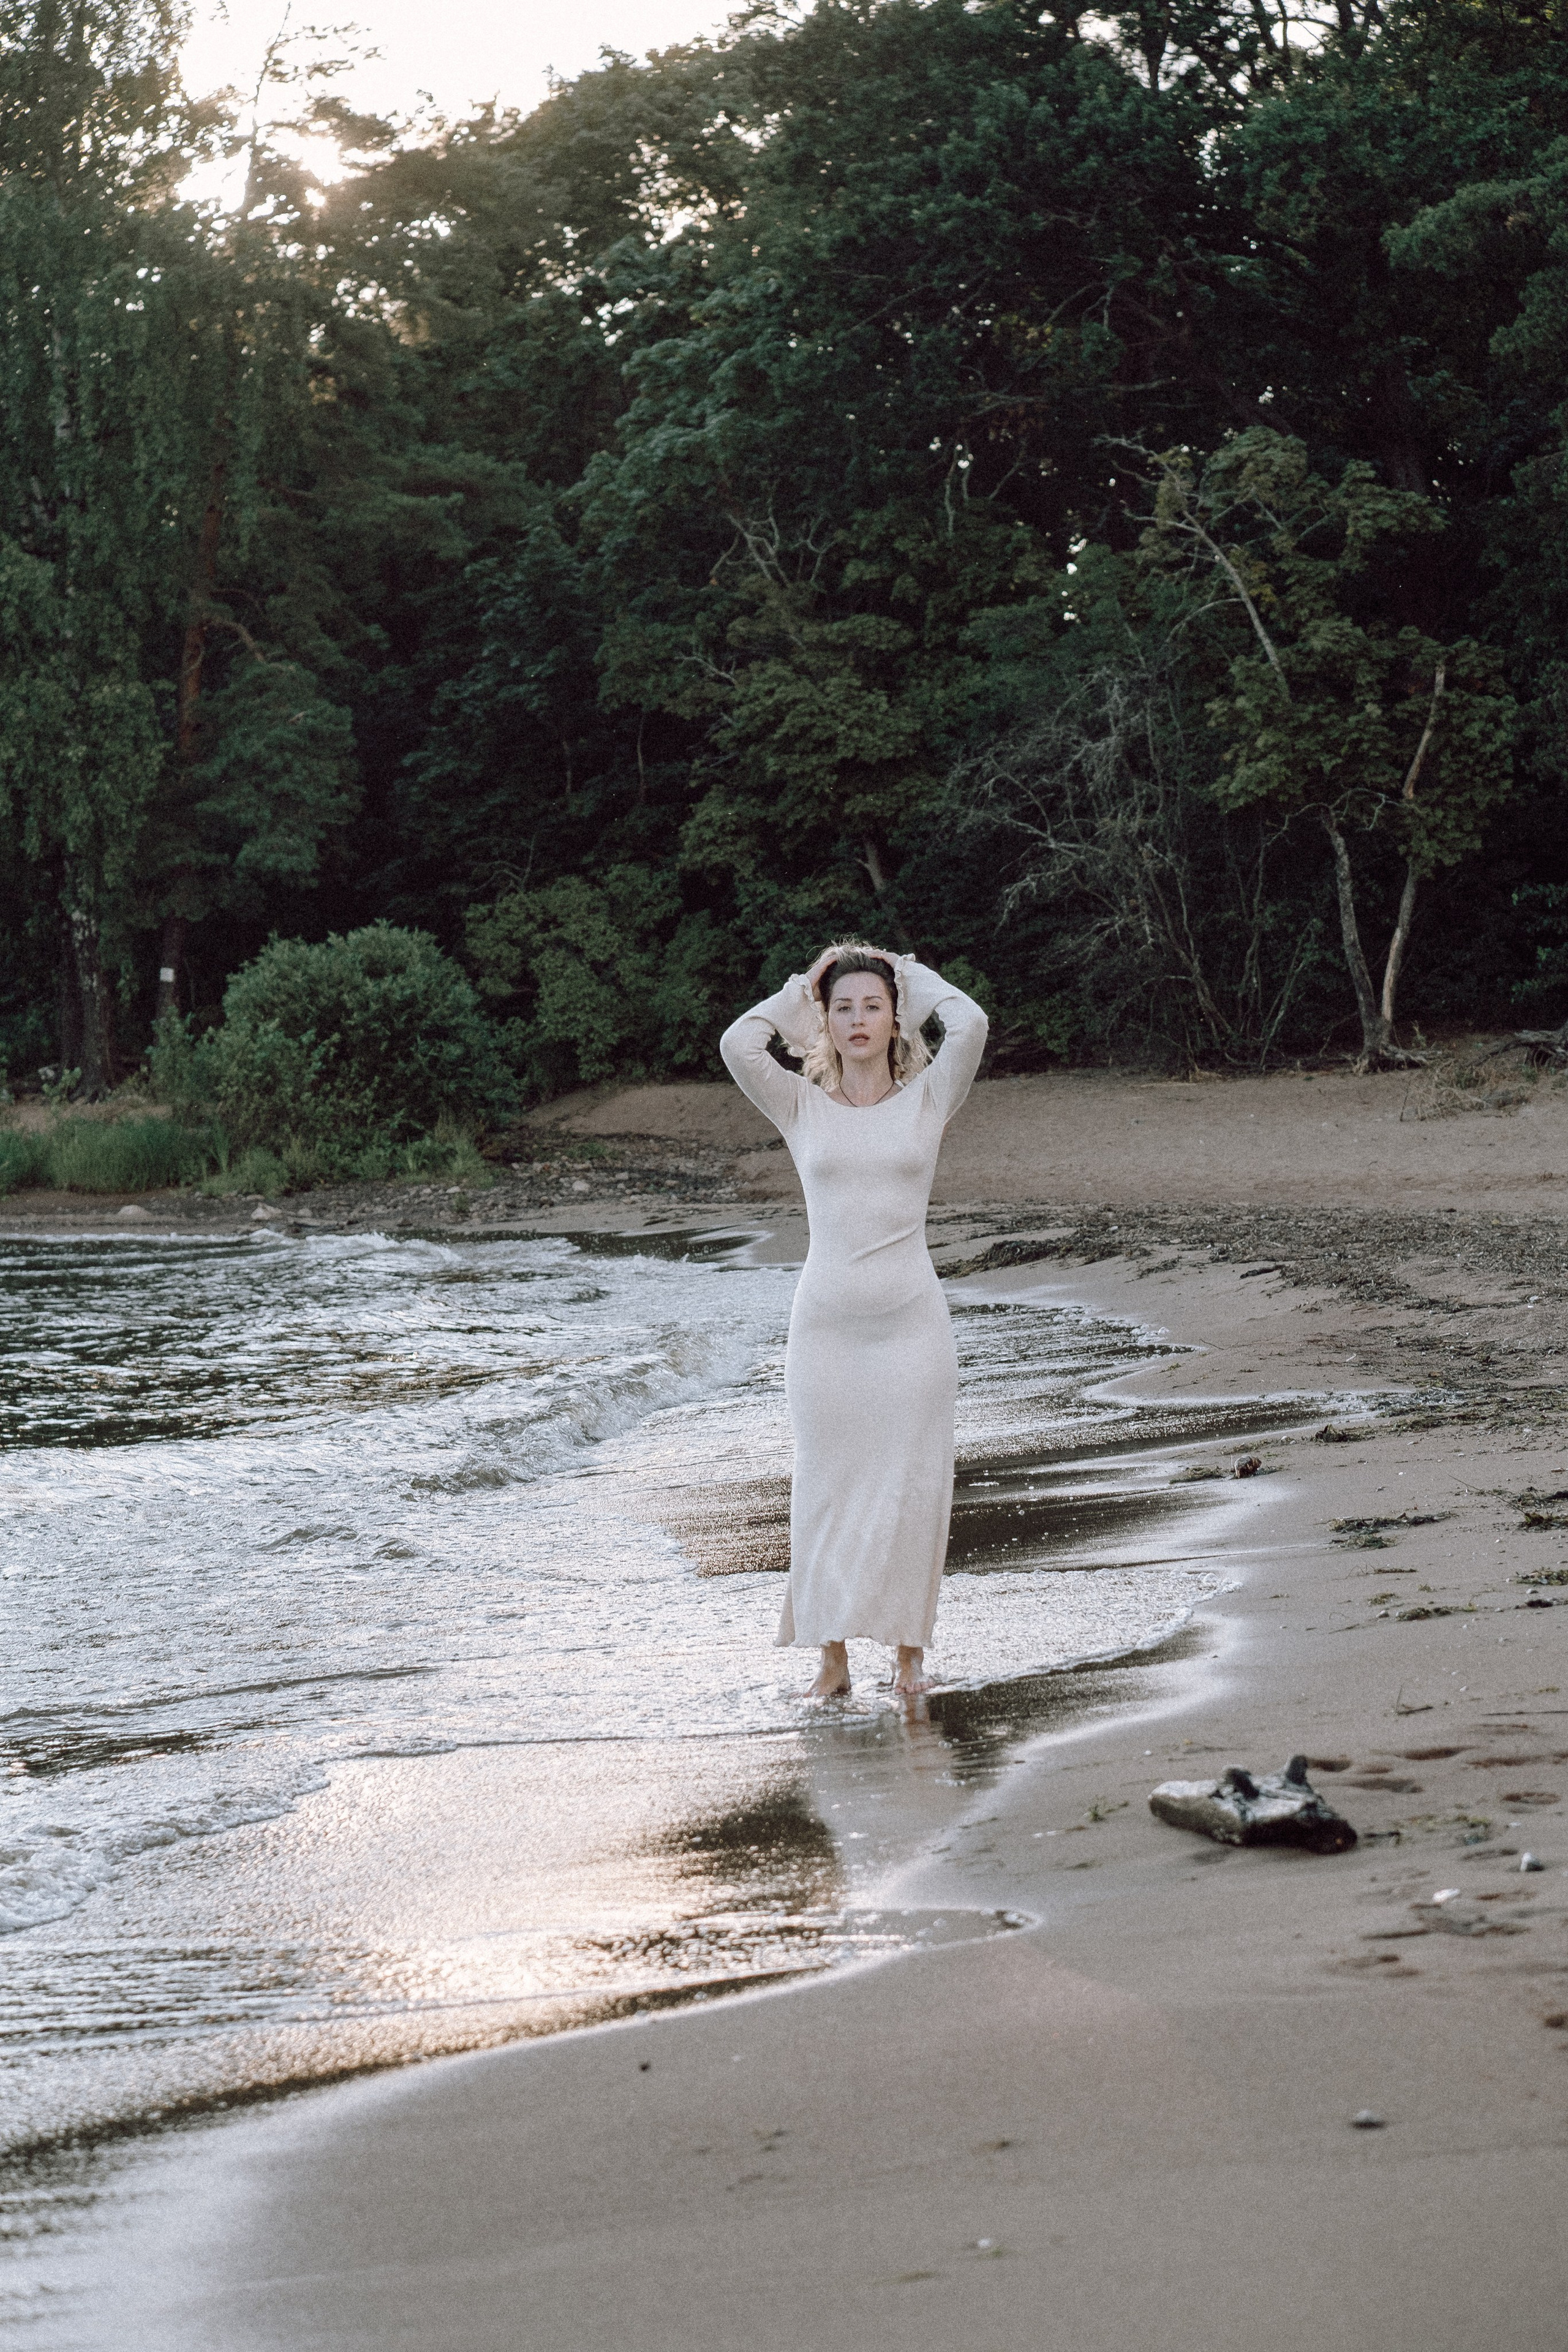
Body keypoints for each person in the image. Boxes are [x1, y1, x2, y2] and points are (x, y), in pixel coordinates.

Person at [719, 941, 989, 1697]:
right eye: (843, 1008)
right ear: (826, 1022)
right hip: (826, 1332)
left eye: (873, 1005)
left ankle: (910, 1659)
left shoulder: (930, 1099)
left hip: (912, 1326)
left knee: (912, 1487)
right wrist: (802, 987)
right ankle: (830, 1658)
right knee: (826, 1487)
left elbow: (969, 1025)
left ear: (895, 1016)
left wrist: (909, 975)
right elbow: (738, 1043)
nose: (858, 1019)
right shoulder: (798, 1103)